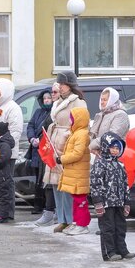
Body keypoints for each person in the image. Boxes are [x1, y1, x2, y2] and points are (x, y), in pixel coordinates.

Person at [45, 72, 87, 233]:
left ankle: (71, 218)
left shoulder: (77, 102)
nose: (59, 86)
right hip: (56, 143)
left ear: (70, 84)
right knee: (57, 184)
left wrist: (71, 138)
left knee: (68, 184)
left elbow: (81, 124)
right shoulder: (59, 101)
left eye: (62, 84)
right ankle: (62, 218)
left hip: (67, 143)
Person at [90, 132, 133, 261]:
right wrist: (98, 202)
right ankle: (110, 252)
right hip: (106, 203)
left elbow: (125, 184)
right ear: (105, 147)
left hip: (119, 203)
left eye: (118, 148)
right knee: (108, 228)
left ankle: (122, 249)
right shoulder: (100, 164)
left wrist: (127, 202)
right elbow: (95, 184)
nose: (115, 151)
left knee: (120, 227)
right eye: (112, 147)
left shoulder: (120, 165)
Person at [58, 106, 92, 235]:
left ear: (78, 120)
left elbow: (77, 154)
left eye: (72, 119)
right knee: (76, 199)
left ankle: (82, 224)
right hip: (75, 173)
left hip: (79, 173)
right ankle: (76, 222)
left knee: (80, 200)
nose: (70, 121)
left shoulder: (82, 134)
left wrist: (62, 159)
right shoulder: (76, 133)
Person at [24, 90, 55, 216]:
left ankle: (48, 206)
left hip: (47, 148)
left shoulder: (54, 112)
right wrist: (32, 138)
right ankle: (38, 205)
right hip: (37, 150)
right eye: (44, 98)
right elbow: (30, 125)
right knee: (38, 178)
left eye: (49, 98)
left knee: (46, 178)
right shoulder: (38, 112)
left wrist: (41, 140)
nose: (47, 100)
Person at [88, 87, 130, 154]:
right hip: (102, 156)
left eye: (105, 100)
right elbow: (94, 134)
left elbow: (112, 136)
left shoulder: (120, 115)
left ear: (112, 100)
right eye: (101, 100)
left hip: (115, 157)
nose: (102, 102)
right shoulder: (102, 114)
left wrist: (91, 145)